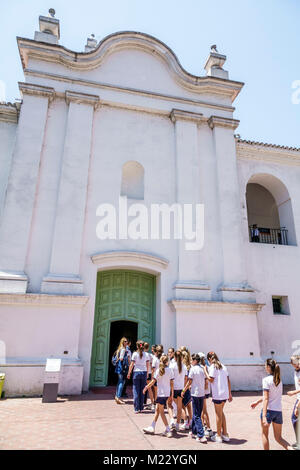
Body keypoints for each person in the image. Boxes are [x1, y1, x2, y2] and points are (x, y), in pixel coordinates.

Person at [251, 358, 293, 450]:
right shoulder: (279, 380)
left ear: (269, 367)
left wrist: (264, 416)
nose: (264, 367)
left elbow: (266, 398)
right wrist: (257, 402)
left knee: (264, 435)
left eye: (265, 365)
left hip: (269, 411)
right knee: (279, 438)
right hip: (278, 412)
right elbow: (269, 396)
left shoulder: (266, 380)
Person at [142, 355, 174, 438]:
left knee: (161, 412)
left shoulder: (158, 371)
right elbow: (171, 383)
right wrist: (172, 393)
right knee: (157, 410)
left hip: (160, 394)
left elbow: (153, 382)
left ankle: (168, 429)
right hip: (167, 393)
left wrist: (146, 387)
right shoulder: (170, 370)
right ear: (167, 362)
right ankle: (152, 426)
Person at [205, 351, 232, 443]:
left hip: (218, 393)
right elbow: (228, 380)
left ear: (209, 359)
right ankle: (225, 433)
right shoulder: (223, 366)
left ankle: (219, 436)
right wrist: (230, 393)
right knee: (221, 413)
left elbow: (211, 379)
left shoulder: (213, 367)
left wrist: (205, 371)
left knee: (218, 414)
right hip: (224, 393)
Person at [181, 353, 207, 443]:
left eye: (192, 360)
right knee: (198, 413)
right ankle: (194, 430)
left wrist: (184, 390)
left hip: (195, 394)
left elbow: (189, 381)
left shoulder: (193, 369)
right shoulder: (202, 369)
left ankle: (201, 435)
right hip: (201, 393)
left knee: (196, 415)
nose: (191, 361)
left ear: (195, 360)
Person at [127, 340, 149, 413]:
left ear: (137, 346)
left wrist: (129, 373)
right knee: (142, 390)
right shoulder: (146, 354)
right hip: (144, 372)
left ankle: (136, 408)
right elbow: (147, 364)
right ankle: (141, 407)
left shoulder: (135, 354)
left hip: (136, 372)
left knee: (136, 390)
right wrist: (147, 373)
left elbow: (132, 364)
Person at [169, 350, 188, 431]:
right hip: (181, 388)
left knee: (169, 404)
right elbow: (186, 378)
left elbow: (171, 379)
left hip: (174, 388)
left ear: (175, 357)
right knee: (180, 407)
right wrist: (184, 388)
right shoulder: (184, 366)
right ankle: (177, 424)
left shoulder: (172, 366)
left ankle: (172, 420)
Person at [287, 355, 300, 449]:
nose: (297, 365)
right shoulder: (296, 371)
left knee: (295, 419)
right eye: (295, 363)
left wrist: (297, 406)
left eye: (298, 363)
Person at [199, 352, 213, 438]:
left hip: (202, 392)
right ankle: (204, 426)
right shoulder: (206, 367)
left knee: (203, 410)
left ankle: (208, 428)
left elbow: (206, 382)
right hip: (205, 391)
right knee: (202, 410)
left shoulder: (202, 368)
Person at [114, 337, 129, 404]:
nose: (127, 342)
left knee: (119, 382)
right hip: (122, 368)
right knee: (121, 382)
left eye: (127, 341)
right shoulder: (123, 349)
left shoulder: (119, 349)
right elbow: (121, 358)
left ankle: (117, 397)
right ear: (122, 342)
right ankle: (119, 397)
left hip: (119, 368)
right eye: (125, 341)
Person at [181, 349, 193, 429]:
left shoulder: (182, 367)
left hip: (183, 387)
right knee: (189, 405)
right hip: (188, 387)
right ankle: (191, 421)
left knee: (182, 406)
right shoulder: (190, 366)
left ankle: (185, 421)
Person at [144, 342, 155, 411]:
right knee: (150, 388)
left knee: (148, 388)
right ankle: (152, 403)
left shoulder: (143, 354)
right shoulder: (150, 355)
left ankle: (152, 403)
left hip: (146, 372)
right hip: (150, 372)